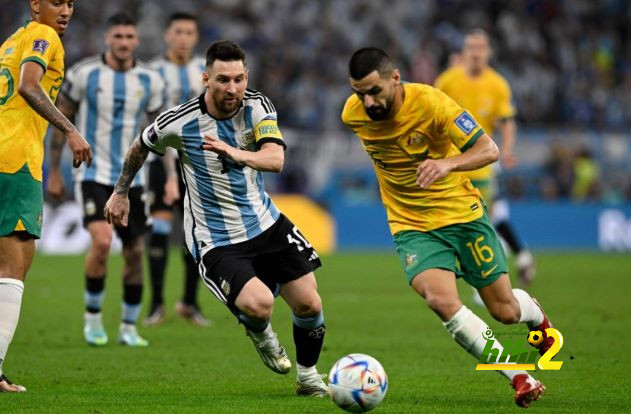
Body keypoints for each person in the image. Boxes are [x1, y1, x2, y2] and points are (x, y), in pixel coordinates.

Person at [104, 40, 329, 397]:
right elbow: (141, 144)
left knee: (309, 304)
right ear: (206, 78)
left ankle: (309, 376)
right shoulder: (179, 121)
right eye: (223, 80)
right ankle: (260, 333)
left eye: (239, 79)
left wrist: (234, 152)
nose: (233, 88)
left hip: (265, 222)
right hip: (216, 239)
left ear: (247, 76)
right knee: (260, 305)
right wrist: (120, 191)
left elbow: (275, 159)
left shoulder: (257, 106)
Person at [341, 47, 556, 408]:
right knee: (440, 300)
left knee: (505, 311)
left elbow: (489, 150)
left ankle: (533, 312)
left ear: (395, 78)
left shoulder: (433, 104)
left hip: (462, 215)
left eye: (374, 90)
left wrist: (448, 164)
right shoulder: (353, 114)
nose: (367, 100)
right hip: (411, 225)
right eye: (358, 92)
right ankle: (518, 375)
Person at [47, 12, 164, 347]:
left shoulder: (150, 80)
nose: (124, 43)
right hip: (92, 174)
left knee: (134, 251)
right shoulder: (84, 74)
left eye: (129, 37)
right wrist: (54, 171)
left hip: (133, 181)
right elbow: (62, 121)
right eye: (118, 37)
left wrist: (169, 175)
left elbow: (159, 132)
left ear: (136, 40)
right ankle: (93, 319)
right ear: (107, 39)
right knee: (100, 242)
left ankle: (128, 326)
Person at [0, 0, 92, 392]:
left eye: (71, 2)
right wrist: (70, 129)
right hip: (15, 160)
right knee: (13, 269)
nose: (66, 9)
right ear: (35, 5)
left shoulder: (10, 42)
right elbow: (28, 85)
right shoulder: (43, 35)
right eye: (57, 1)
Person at [435, 29, 536, 291]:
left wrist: (508, 149)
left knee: (484, 221)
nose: (476, 53)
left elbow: (507, 122)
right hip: (448, 165)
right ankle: (511, 262)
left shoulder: (498, 84)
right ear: (464, 51)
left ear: (489, 52)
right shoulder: (447, 81)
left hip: (481, 165)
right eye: (471, 47)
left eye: (481, 47)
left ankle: (491, 279)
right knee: (456, 221)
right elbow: (429, 113)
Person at [144, 12, 210, 327]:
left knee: (195, 232)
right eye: (178, 31)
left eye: (189, 32)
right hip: (160, 161)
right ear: (168, 35)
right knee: (159, 226)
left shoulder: (204, 72)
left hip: (197, 162)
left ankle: (190, 302)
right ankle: (157, 303)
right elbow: (151, 123)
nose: (183, 37)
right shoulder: (153, 72)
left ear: (195, 38)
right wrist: (170, 173)